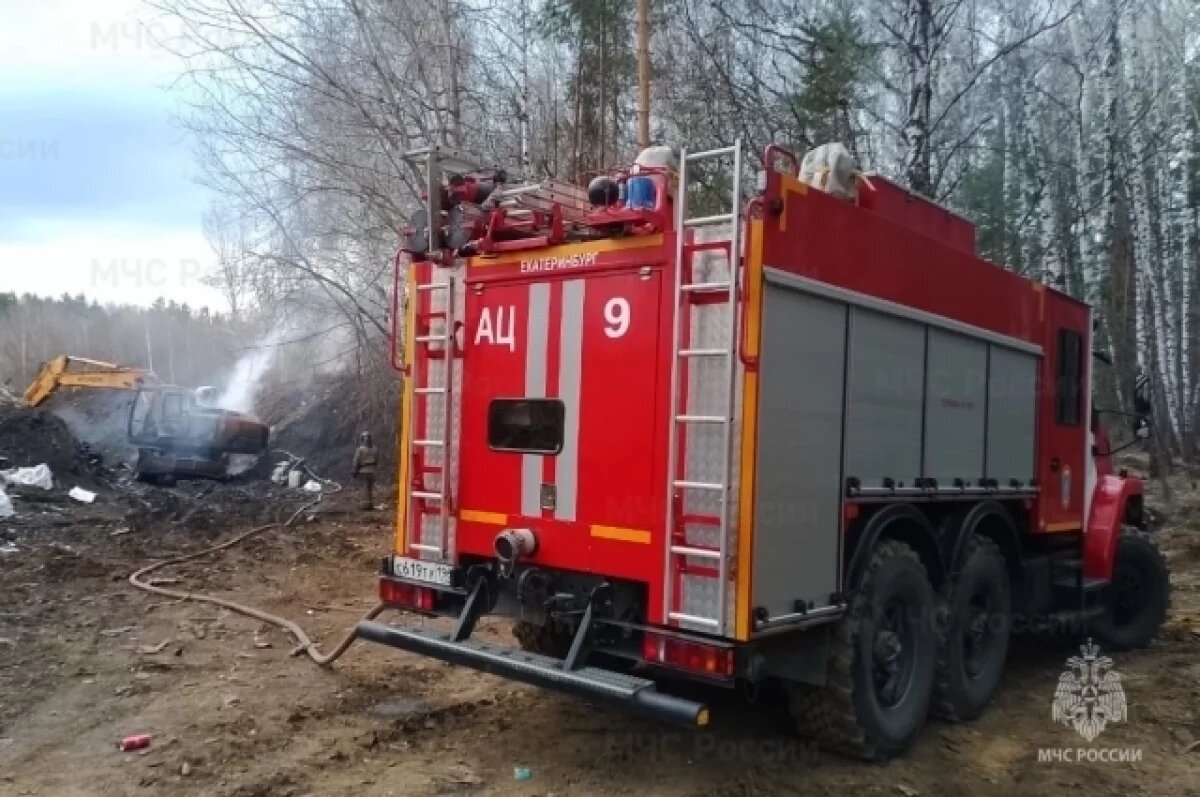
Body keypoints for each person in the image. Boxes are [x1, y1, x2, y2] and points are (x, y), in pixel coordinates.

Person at [352, 431, 378, 509]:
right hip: (372, 470)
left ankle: (364, 506)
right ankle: (370, 504)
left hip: (363, 471)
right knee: (369, 488)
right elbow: (377, 460)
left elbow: (356, 461)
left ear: (362, 439)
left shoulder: (360, 450)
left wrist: (354, 471)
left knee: (364, 488)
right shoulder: (375, 449)